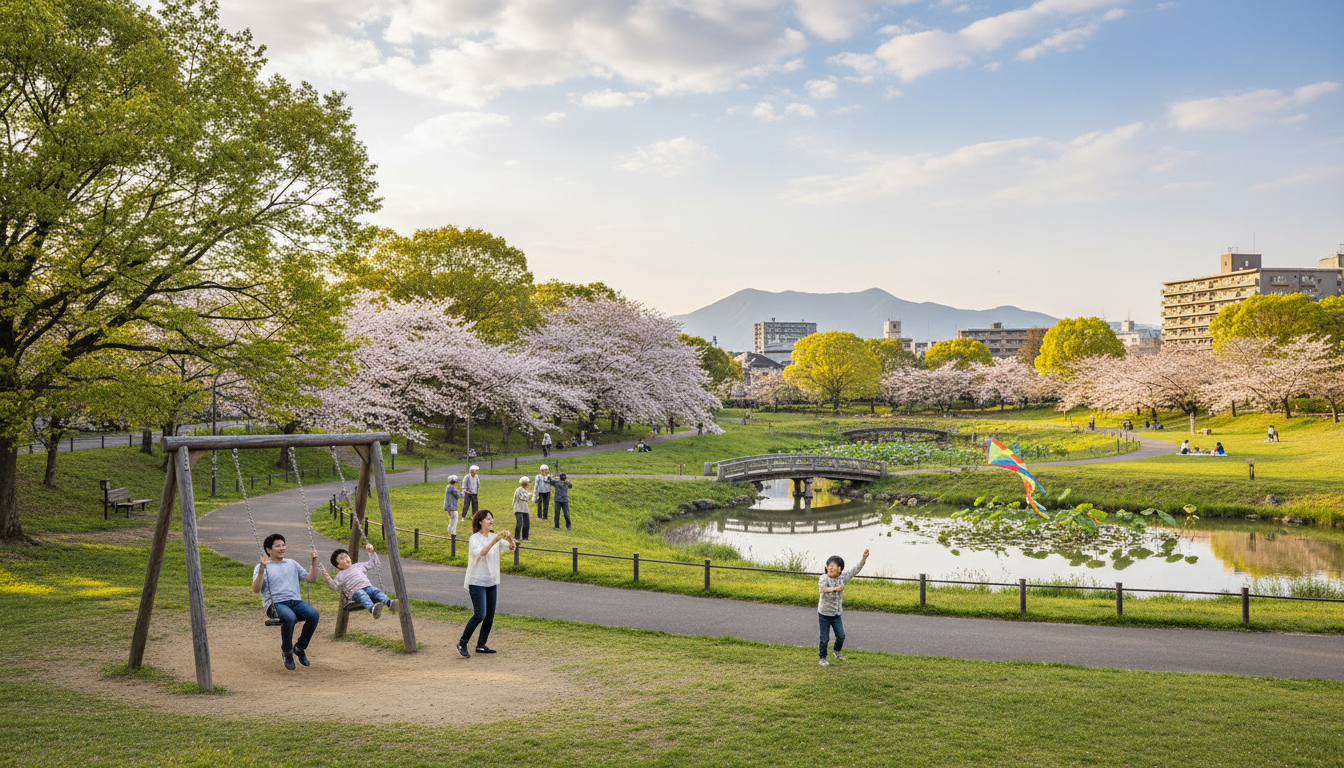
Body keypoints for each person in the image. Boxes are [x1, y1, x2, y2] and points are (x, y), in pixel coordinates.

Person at [252, 533, 321, 670]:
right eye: (277, 546)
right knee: (290, 617)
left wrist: (313, 562)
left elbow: (310, 579)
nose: (282, 548)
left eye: (283, 545)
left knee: (314, 614)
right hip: (275, 604)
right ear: (269, 550)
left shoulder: (292, 563)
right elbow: (256, 589)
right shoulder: (263, 566)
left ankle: (300, 648)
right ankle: (287, 652)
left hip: (294, 602)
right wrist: (261, 570)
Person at [457, 510, 516, 658]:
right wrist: (495, 540)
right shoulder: (474, 538)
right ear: (480, 522)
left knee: (490, 616)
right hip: (476, 581)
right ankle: (462, 643)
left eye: (492, 518)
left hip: (491, 581)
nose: (491, 521)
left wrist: (510, 538)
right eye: (488, 519)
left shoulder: (492, 537)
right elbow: (482, 552)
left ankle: (481, 645)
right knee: (480, 614)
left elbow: (511, 548)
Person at [817, 548, 868, 667]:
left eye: (833, 566)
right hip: (824, 614)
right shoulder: (824, 578)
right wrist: (836, 589)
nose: (830, 568)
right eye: (829, 565)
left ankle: (836, 650)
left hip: (836, 614)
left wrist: (863, 559)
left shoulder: (842, 577)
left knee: (841, 635)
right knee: (824, 638)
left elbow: (855, 570)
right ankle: (822, 658)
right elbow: (822, 590)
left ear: (839, 569)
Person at [320, 543, 395, 618]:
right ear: (337, 565)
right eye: (342, 558)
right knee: (361, 594)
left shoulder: (359, 565)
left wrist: (371, 552)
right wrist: (326, 575)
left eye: (346, 556)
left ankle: (389, 603)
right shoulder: (340, 575)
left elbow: (374, 563)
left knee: (375, 590)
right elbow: (334, 587)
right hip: (354, 593)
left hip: (367, 587)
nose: (345, 559)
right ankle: (372, 609)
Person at [512, 477, 532, 541]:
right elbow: (521, 497)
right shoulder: (519, 490)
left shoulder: (526, 491)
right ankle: (516, 537)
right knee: (519, 523)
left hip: (525, 510)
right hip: (518, 509)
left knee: (526, 523)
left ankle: (525, 538)